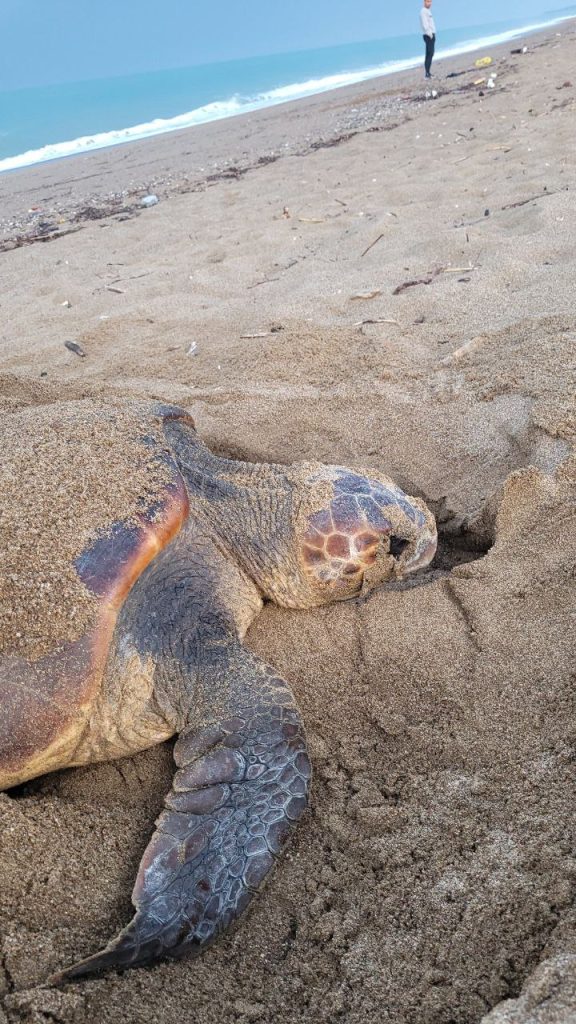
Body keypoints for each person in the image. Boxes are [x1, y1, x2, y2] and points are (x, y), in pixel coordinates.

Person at [420, 0, 436, 79]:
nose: (429, 3)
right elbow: (424, 24)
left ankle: (428, 73)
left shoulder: (428, 11)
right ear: (424, 2)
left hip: (431, 34)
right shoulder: (423, 11)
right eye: (427, 1)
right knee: (430, 53)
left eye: (430, 2)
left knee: (429, 54)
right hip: (428, 35)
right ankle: (427, 74)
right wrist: (429, 33)